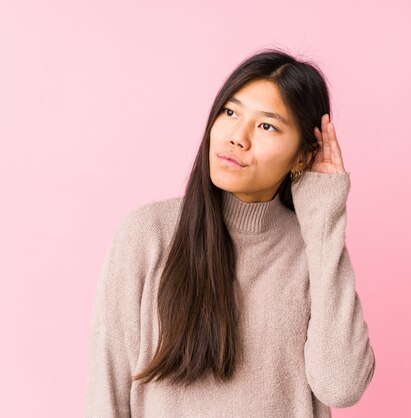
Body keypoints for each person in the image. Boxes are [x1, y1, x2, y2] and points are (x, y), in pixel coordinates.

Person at [84, 47, 376, 417]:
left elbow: (341, 385)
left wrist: (325, 221)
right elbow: (104, 395)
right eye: (230, 112)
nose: (238, 136)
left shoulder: (313, 250)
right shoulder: (147, 235)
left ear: (302, 156)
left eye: (267, 125)